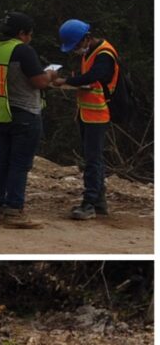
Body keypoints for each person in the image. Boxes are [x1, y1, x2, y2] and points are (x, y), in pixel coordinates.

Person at [0, 12, 57, 229]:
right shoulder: (22, 50)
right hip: (24, 113)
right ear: (22, 33)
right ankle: (15, 211)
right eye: (29, 34)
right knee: (19, 164)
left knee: (1, 162)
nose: (30, 38)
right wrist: (50, 74)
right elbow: (39, 81)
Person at [52, 19, 118, 220]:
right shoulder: (91, 51)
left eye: (77, 46)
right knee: (93, 158)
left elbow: (96, 76)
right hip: (87, 112)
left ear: (86, 38)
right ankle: (98, 202)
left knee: (93, 160)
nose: (76, 50)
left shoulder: (104, 54)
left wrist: (67, 81)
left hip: (98, 113)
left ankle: (89, 203)